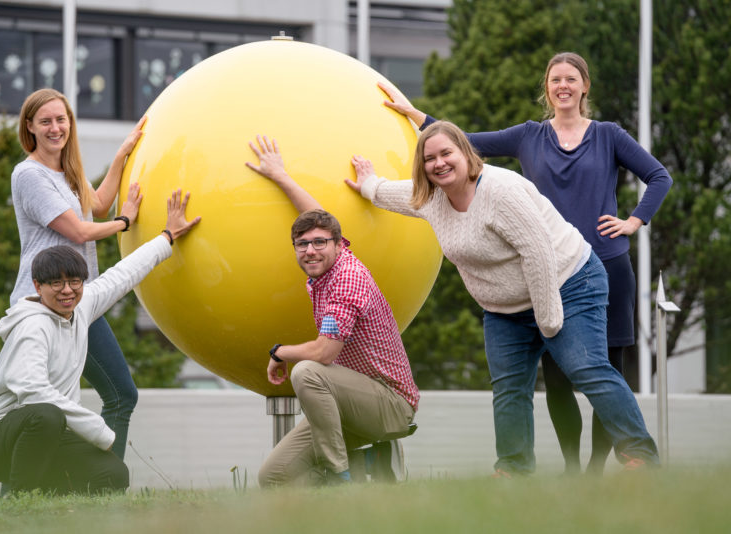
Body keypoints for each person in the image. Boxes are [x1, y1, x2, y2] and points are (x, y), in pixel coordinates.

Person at [378, 52, 672, 474]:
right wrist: (420, 118)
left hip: (594, 265)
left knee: (595, 370)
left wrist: (634, 220)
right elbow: (464, 145)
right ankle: (570, 473)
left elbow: (659, 175)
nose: (563, 86)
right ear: (547, 88)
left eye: (571, 79)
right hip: (530, 275)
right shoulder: (529, 136)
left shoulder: (608, 135)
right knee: (554, 382)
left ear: (584, 86)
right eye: (555, 79)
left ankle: (612, 466)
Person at [0, 190, 201, 495]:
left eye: (74, 282)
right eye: (56, 283)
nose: (67, 291)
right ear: (38, 286)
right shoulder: (31, 327)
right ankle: (18, 503)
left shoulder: (81, 305)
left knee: (113, 474)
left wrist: (167, 236)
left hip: (48, 436)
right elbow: (33, 391)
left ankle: (61, 505)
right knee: (46, 414)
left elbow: (123, 275)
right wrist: (99, 431)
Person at [246, 135, 419, 486]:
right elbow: (315, 218)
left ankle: (341, 475)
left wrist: (279, 352)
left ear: (338, 245)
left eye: (320, 243)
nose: (310, 250)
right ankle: (366, 461)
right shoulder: (334, 257)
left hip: (389, 405)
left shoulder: (346, 279)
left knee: (306, 371)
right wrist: (280, 175)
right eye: (302, 244)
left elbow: (324, 353)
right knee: (273, 479)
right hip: (342, 400)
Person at [10, 88, 147, 461]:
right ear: (30, 127)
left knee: (122, 395)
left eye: (61, 119)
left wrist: (122, 154)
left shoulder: (67, 173)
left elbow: (97, 204)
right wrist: (125, 222)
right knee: (46, 411)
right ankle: (26, 490)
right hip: (44, 306)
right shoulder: (29, 175)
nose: (56, 128)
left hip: (78, 303)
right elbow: (79, 231)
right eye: (46, 121)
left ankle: (104, 482)